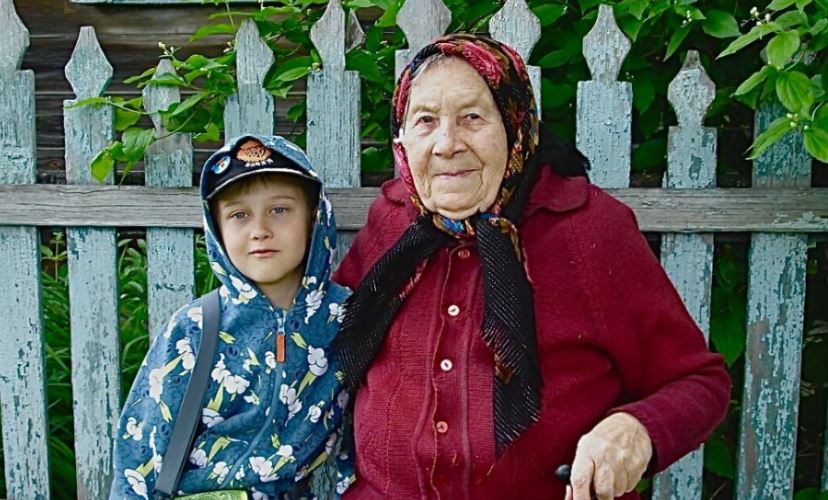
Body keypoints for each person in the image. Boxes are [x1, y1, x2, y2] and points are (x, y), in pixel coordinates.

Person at [333, 34, 731, 500]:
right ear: (402, 139)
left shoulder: (587, 229)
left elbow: (698, 382)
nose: (447, 144)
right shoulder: (392, 222)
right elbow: (326, 340)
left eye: (472, 117)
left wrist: (635, 429)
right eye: (425, 120)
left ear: (515, 122)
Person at [111, 135, 355, 499]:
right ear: (217, 229)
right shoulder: (195, 328)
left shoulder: (347, 320)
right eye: (239, 215)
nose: (260, 230)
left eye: (279, 210)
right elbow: (140, 455)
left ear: (314, 217)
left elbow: (369, 433)